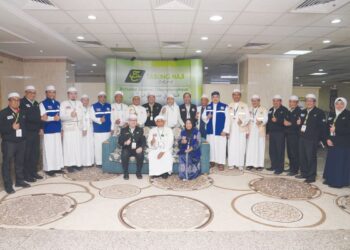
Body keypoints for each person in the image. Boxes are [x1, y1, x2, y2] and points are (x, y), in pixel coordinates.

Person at [0, 92, 30, 194]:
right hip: (9, 143)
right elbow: (1, 129)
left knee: (19, 163)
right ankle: (8, 185)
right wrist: (11, 127)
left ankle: (19, 181)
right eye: (14, 99)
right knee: (7, 164)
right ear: (9, 101)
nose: (16, 102)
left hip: (21, 141)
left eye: (18, 100)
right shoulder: (3, 113)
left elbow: (25, 126)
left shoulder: (22, 112)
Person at [296, 94, 326, 183]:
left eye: (310, 101)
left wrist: (320, 139)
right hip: (302, 138)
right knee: (302, 156)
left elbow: (323, 127)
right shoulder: (303, 111)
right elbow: (301, 124)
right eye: (307, 101)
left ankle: (311, 176)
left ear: (314, 102)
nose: (308, 102)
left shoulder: (319, 112)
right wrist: (299, 123)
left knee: (311, 158)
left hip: (312, 139)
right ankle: (304, 173)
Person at [323, 97, 350, 188]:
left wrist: (336, 129)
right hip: (331, 142)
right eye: (337, 104)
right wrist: (327, 139)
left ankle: (338, 182)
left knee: (339, 163)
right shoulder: (332, 114)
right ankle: (330, 178)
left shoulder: (348, 114)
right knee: (331, 162)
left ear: (345, 105)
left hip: (342, 144)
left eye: (341, 104)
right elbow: (327, 128)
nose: (339, 106)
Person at [20, 85, 43, 182]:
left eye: (34, 93)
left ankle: (33, 172)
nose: (32, 94)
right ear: (26, 93)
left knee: (35, 153)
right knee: (27, 154)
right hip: (27, 133)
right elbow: (26, 118)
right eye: (30, 92)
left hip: (36, 132)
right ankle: (26, 174)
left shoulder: (36, 103)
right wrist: (39, 119)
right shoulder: (22, 102)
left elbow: (40, 116)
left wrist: (41, 127)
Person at [40, 85, 64, 176]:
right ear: (46, 93)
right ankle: (49, 169)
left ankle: (57, 167)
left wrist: (61, 129)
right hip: (48, 130)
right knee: (49, 150)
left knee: (57, 150)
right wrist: (53, 118)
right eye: (49, 92)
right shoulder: (42, 104)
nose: (52, 94)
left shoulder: (58, 103)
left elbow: (60, 118)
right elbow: (43, 117)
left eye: (53, 92)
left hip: (57, 130)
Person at [223, 89, 250, 170]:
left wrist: (242, 122)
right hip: (231, 130)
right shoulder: (229, 106)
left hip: (241, 129)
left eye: (238, 95)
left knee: (241, 146)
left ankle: (240, 164)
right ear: (232, 96)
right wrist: (226, 131)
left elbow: (248, 117)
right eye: (234, 95)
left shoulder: (244, 105)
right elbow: (226, 119)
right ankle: (231, 163)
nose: (236, 96)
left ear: (240, 96)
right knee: (231, 146)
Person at [202, 91, 227, 171]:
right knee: (211, 147)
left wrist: (225, 130)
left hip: (221, 132)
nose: (215, 98)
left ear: (219, 97)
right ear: (212, 98)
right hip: (210, 132)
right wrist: (207, 117)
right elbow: (203, 118)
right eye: (213, 97)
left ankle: (221, 163)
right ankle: (212, 161)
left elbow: (228, 120)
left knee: (221, 147)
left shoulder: (224, 106)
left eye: (216, 97)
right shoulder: (208, 107)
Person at [60, 87, 84, 172]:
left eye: (75, 93)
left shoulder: (79, 103)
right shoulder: (64, 103)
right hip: (68, 129)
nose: (73, 95)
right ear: (68, 94)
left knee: (77, 146)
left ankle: (78, 163)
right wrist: (70, 115)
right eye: (71, 93)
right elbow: (61, 117)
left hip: (78, 128)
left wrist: (83, 128)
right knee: (69, 147)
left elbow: (82, 117)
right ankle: (69, 165)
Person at [118, 114, 146, 180]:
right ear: (128, 121)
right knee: (124, 154)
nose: (133, 122)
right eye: (131, 120)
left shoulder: (140, 130)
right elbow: (120, 141)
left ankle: (138, 172)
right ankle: (126, 173)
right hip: (127, 148)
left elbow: (143, 141)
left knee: (140, 154)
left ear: (136, 122)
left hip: (137, 149)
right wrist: (125, 142)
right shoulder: (123, 130)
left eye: (135, 120)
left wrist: (141, 147)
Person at [266, 95, 288, 175]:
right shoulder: (271, 110)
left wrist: (278, 120)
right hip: (272, 133)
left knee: (279, 151)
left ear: (280, 101)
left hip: (280, 133)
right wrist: (267, 132)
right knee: (272, 150)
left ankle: (280, 168)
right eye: (274, 101)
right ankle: (273, 166)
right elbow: (268, 122)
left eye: (277, 101)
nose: (275, 102)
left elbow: (286, 121)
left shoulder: (284, 110)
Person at [246, 95, 268, 171]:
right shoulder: (249, 109)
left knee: (260, 148)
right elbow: (246, 120)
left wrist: (261, 121)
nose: (254, 102)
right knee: (250, 148)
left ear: (259, 101)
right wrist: (246, 131)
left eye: (256, 101)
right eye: (253, 101)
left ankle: (259, 165)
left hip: (260, 130)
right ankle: (250, 164)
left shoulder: (263, 109)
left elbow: (266, 118)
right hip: (251, 131)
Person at [90, 91, 112, 167]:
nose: (103, 98)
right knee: (98, 147)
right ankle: (99, 162)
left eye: (104, 97)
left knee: (106, 147)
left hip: (107, 130)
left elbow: (112, 117)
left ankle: (106, 161)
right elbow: (92, 117)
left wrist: (112, 128)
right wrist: (99, 120)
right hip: (98, 130)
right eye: (101, 97)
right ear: (98, 97)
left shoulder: (109, 106)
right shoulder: (94, 106)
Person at [284, 95, 302, 176]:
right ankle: (291, 167)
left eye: (293, 102)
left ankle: (295, 170)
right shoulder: (289, 110)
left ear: (297, 103)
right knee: (290, 152)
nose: (291, 103)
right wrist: (285, 123)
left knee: (294, 153)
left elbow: (300, 124)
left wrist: (291, 123)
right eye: (290, 102)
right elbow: (287, 121)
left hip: (295, 135)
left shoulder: (299, 112)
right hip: (288, 134)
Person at [81, 94, 94, 167]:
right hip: (83, 130)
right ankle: (83, 162)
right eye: (84, 100)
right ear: (81, 101)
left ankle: (90, 162)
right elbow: (80, 119)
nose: (85, 101)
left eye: (87, 100)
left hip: (90, 129)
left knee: (90, 145)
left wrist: (99, 120)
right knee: (83, 146)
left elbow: (93, 117)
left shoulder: (90, 108)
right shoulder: (79, 108)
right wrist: (84, 128)